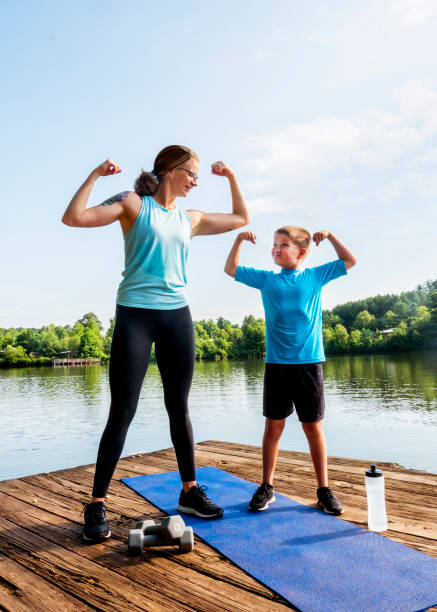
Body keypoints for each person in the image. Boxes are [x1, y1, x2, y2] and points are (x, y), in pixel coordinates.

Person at [62, 145, 250, 541]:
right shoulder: (132, 203)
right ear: (169, 171)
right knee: (123, 411)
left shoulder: (190, 218)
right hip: (135, 316)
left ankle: (188, 491)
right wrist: (96, 174)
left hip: (177, 317)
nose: (196, 182)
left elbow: (240, 218)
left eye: (198, 176)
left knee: (178, 407)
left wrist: (231, 177)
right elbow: (73, 217)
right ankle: (96, 503)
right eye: (192, 174)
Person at [224, 225, 357, 515]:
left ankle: (323, 490)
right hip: (277, 367)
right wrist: (238, 240)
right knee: (273, 426)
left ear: (302, 252)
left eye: (283, 244)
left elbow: (349, 261)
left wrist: (332, 236)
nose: (275, 248)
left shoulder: (314, 276)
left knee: (313, 427)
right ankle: (267, 487)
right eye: (274, 244)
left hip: (308, 365)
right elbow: (230, 268)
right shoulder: (267, 280)